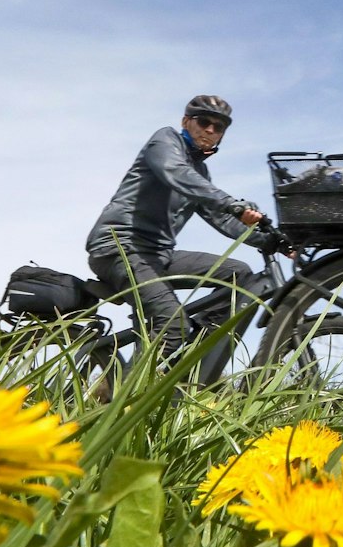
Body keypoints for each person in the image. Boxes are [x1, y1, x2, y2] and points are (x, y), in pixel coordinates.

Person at [86, 94, 287, 380]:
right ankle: (121, 407)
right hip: (118, 247)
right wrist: (233, 203)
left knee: (239, 275)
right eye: (204, 122)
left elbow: (220, 218)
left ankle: (192, 352)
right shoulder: (165, 142)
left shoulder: (200, 171)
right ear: (185, 122)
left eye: (218, 128)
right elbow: (177, 174)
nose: (210, 131)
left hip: (158, 256)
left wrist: (272, 241)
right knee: (172, 323)